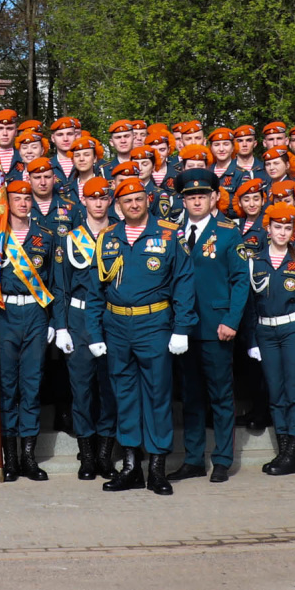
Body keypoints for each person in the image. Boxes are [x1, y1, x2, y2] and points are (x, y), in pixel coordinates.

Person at [88, 173, 196, 496]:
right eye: (126, 201)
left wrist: (182, 328)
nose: (133, 204)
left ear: (148, 200)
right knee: (124, 397)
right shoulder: (107, 238)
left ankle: (157, 469)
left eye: (138, 199)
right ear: (118, 206)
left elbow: (184, 282)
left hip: (155, 325)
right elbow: (97, 290)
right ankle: (131, 467)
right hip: (117, 326)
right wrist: (94, 332)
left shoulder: (169, 234)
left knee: (158, 396)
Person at [0, 176, 57, 482]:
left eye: (28, 199)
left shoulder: (46, 236)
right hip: (5, 313)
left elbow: (54, 280)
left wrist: (55, 321)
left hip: (36, 314)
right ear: (7, 202)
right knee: (7, 386)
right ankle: (9, 456)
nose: (24, 204)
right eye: (17, 199)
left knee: (32, 385)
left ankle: (28, 456)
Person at [246, 201, 295, 476]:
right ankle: (283, 449)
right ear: (268, 229)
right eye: (278, 227)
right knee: (275, 392)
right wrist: (252, 341)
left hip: (293, 330)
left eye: (288, 228)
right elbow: (250, 306)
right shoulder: (255, 262)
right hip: (266, 332)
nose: (283, 233)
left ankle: (291, 454)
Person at [54, 175, 115, 480]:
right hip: (78, 320)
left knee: (110, 388)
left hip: (112, 318)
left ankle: (105, 454)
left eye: (104, 198)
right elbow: (61, 287)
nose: (99, 203)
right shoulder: (69, 238)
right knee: (81, 390)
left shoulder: (119, 236)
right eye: (93, 198)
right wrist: (61, 326)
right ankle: (87, 455)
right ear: (84, 202)